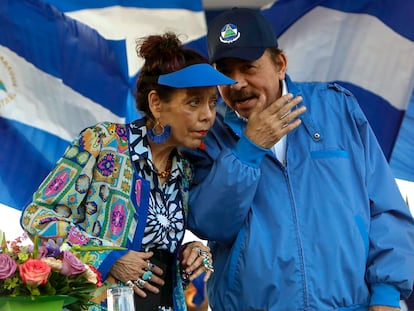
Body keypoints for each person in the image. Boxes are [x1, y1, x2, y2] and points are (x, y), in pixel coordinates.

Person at [183, 7, 414, 311]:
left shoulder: (337, 108)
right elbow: (212, 224)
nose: (237, 83)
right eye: (224, 72)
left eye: (248, 67)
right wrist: (249, 149)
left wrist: (386, 296)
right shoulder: (209, 133)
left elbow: (385, 209)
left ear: (280, 64)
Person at [20, 32, 235, 311]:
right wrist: (109, 257)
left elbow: (155, 253)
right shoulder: (102, 143)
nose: (208, 115)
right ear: (157, 104)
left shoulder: (184, 170)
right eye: (194, 102)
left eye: (211, 102)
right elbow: (37, 217)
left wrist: (188, 254)